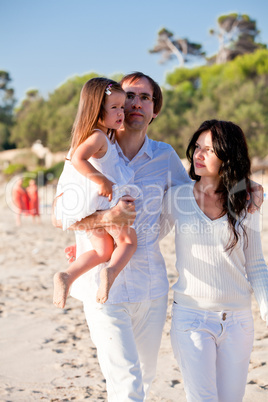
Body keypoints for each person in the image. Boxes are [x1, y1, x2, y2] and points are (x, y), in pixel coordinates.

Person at [53, 74, 263, 401]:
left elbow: (200, 191)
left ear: (155, 109)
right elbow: (58, 215)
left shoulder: (165, 157)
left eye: (145, 98)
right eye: (130, 97)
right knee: (127, 383)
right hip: (102, 287)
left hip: (151, 288)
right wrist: (106, 219)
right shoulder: (90, 151)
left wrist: (245, 186)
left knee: (145, 376)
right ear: (116, 105)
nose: (136, 104)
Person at [162, 120, 268, 402]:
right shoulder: (177, 197)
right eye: (197, 147)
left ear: (227, 155)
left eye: (208, 150)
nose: (198, 154)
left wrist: (266, 306)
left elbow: (255, 263)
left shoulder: (246, 201)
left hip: (238, 321)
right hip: (192, 317)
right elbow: (144, 236)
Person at [53, 78, 139, 309]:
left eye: (122, 107)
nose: (122, 112)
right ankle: (110, 274)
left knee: (102, 250)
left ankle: (67, 276)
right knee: (128, 241)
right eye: (114, 108)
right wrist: (100, 178)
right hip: (104, 204)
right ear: (96, 110)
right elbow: (77, 158)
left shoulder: (102, 136)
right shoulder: (98, 137)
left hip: (92, 206)